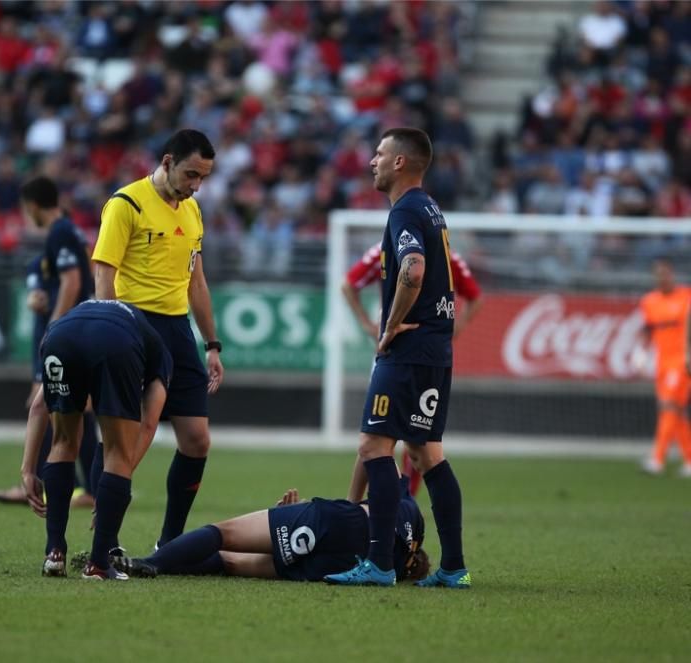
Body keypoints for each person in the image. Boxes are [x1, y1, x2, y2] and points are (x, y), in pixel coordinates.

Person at [332, 128, 470, 588]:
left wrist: (389, 326)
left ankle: (379, 565)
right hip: (435, 348)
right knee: (427, 453)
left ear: (399, 163)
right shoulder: (431, 207)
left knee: (374, 447)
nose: (371, 161)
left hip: (408, 349)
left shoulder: (405, 211)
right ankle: (453, 568)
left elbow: (412, 269)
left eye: (379, 153)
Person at [91, 129, 224, 549]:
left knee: (197, 439)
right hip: (134, 323)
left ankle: (169, 543)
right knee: (136, 432)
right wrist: (112, 331)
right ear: (167, 162)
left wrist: (212, 344)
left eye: (203, 177)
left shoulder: (193, 211)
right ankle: (105, 537)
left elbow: (196, 282)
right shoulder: (125, 203)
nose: (196, 185)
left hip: (177, 330)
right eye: (190, 174)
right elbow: (104, 274)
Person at [21, 300, 172, 580]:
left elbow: (39, 405)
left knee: (63, 442)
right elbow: (149, 423)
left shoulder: (97, 315)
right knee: (118, 452)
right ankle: (99, 564)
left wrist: (28, 468)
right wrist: (112, 491)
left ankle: (54, 554)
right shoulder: (161, 357)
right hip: (114, 342)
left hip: (59, 336)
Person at [73, 471, 429, 584]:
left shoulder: (411, 511)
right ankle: (148, 563)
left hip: (340, 521)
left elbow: (373, 455)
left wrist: (349, 504)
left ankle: (149, 562)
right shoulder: (392, 566)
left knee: (224, 532)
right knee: (231, 562)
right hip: (338, 565)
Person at [342, 242, 483, 496]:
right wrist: (367, 325)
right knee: (386, 437)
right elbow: (348, 284)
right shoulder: (391, 250)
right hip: (397, 354)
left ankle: (398, 500)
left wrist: (456, 329)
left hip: (411, 355)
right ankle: (374, 502)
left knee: (403, 439)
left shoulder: (444, 256)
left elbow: (475, 297)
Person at [0, 177, 98, 507]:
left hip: (66, 335)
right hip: (76, 330)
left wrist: (54, 324)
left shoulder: (61, 231)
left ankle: (41, 484)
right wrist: (42, 300)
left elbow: (73, 281)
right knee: (68, 409)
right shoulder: (68, 234)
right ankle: (83, 487)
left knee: (49, 406)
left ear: (32, 206)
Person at [638, 259, 691, 477]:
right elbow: (648, 329)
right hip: (662, 361)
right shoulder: (649, 301)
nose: (663, 278)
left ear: (673, 274)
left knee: (667, 405)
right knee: (674, 410)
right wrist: (642, 353)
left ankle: (657, 459)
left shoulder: (686, 297)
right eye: (658, 274)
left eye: (666, 273)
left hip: (682, 360)